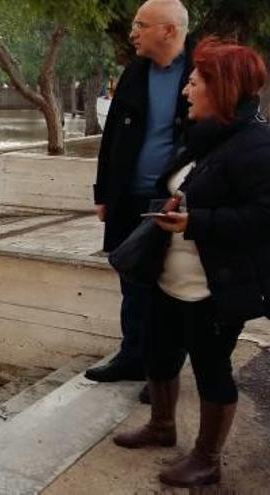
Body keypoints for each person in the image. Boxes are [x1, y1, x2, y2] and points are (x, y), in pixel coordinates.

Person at [112, 38, 270, 488]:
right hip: (170, 277)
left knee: (210, 369)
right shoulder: (202, 136)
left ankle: (207, 458)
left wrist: (194, 221)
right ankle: (162, 427)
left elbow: (263, 218)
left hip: (214, 287)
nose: (186, 89)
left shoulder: (256, 146)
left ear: (221, 87)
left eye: (196, 81)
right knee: (159, 356)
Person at [89, 0, 194, 398]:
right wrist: (104, 194)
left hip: (173, 201)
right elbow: (112, 137)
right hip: (129, 197)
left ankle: (161, 373)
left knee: (167, 286)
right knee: (131, 278)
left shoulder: (202, 71)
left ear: (168, 30)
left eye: (141, 24)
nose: (132, 32)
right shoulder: (134, 72)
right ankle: (131, 357)